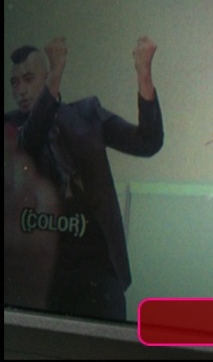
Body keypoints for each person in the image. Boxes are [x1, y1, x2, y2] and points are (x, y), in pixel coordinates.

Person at [4, 36, 164, 321]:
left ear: (43, 77)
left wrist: (144, 74)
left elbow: (147, 142)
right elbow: (29, 141)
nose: (21, 91)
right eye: (14, 83)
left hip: (97, 269)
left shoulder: (87, 114)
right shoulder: (11, 128)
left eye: (29, 79)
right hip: (43, 274)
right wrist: (55, 79)